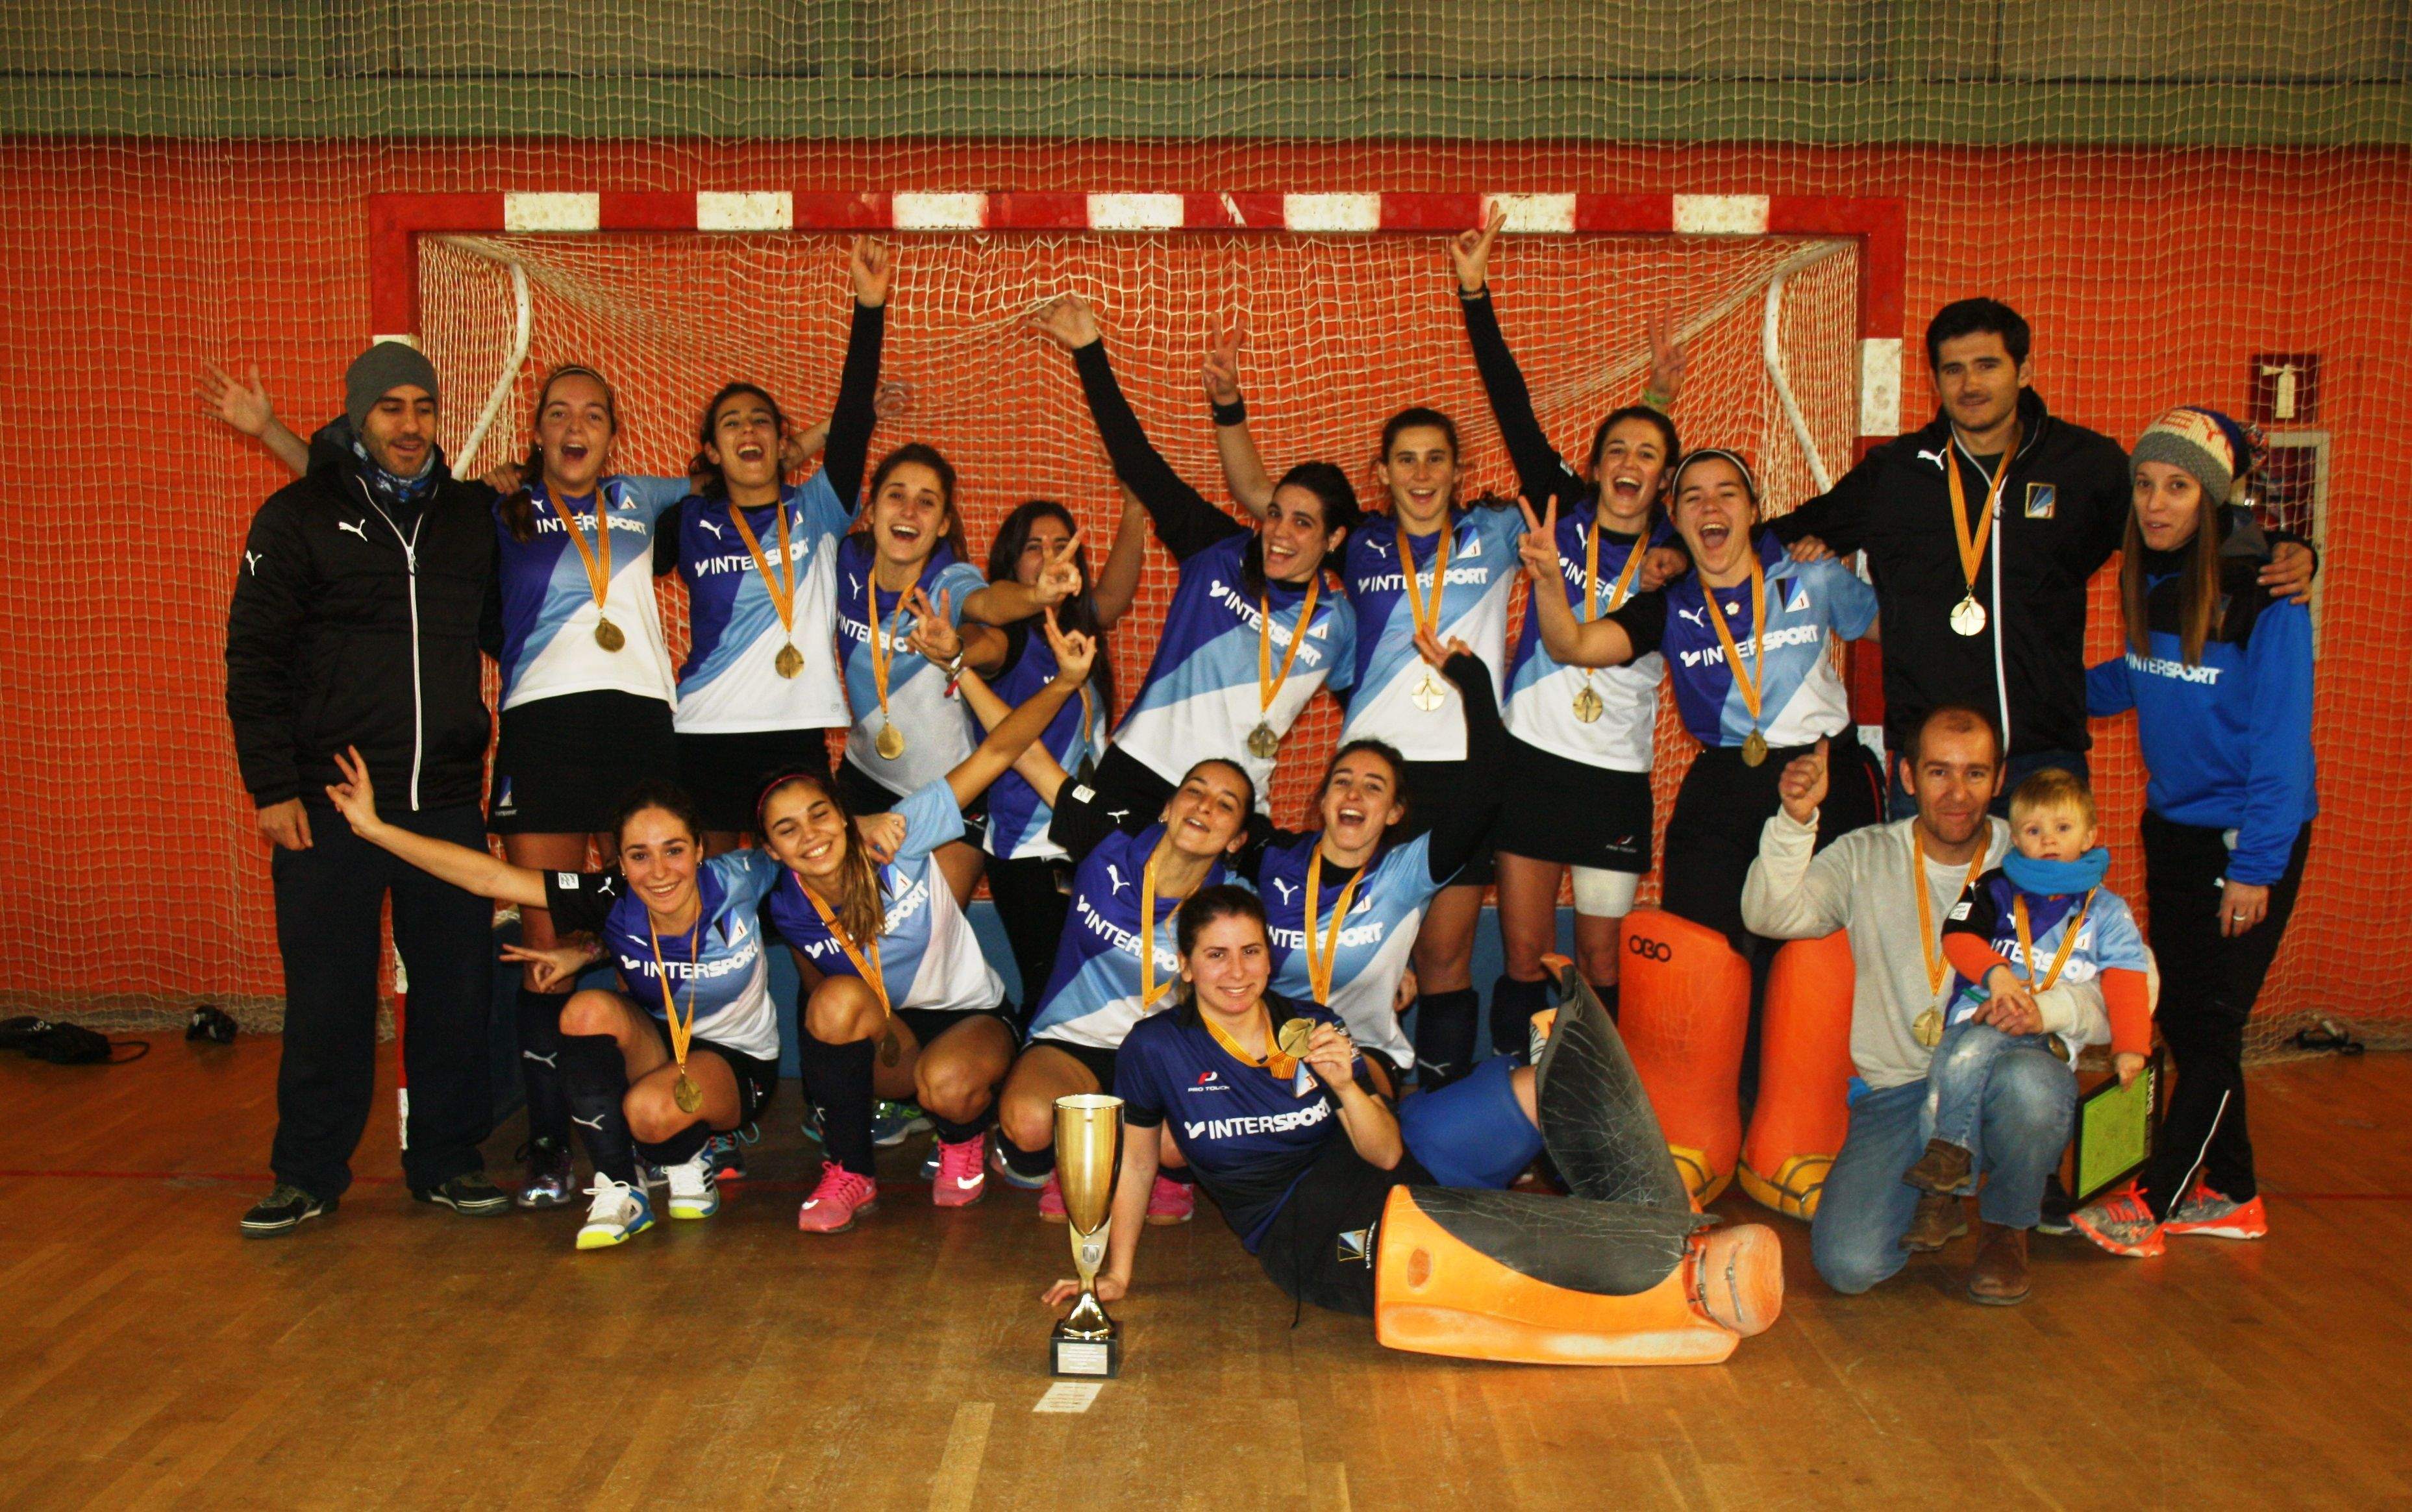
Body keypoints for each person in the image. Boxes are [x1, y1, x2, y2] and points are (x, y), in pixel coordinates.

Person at [1768, 298, 2316, 813]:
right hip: (1932, 766)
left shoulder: (2085, 466)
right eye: (1952, 369)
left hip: (2043, 762)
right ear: (1933, 378)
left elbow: (2176, 527)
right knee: (1924, 917)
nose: (1970, 384)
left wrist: (2290, 549)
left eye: (1987, 365)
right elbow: (1780, 537)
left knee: (2050, 918)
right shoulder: (1893, 474)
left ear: (2023, 370)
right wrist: (1680, 550)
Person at [223, 341, 509, 1237]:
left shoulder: (469, 518)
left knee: (455, 992)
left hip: (447, 800)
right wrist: (273, 786)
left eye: (424, 407)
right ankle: (307, 1172)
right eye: (391, 408)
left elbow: (512, 623)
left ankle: (446, 1161)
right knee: (328, 998)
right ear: (357, 415)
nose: (411, 425)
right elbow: (254, 660)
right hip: (329, 805)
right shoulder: (296, 516)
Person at [322, 761, 781, 1250]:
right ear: (620, 863)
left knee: (649, 1111)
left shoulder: (742, 878)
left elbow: (817, 856)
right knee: (583, 1011)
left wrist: (872, 830)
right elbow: (488, 877)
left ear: (699, 849)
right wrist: (374, 828)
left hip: (740, 1061)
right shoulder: (612, 898)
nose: (660, 871)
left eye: (674, 850)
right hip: (662, 1048)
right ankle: (620, 1187)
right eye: (639, 855)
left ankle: (689, 1156)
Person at [1742, 704, 2112, 1304]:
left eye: (1974, 773)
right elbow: (1767, 915)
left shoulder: (2041, 860)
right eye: (1939, 772)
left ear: (1999, 779)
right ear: (1907, 776)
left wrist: (2052, 1013)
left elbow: (2120, 989)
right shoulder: (1864, 854)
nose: (1958, 793)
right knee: (1847, 1264)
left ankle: (2006, 1227)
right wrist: (1794, 820)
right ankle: (1935, 1191)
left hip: (2000, 1076)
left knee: (2033, 1086)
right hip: (1899, 1093)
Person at [2067, 406, 2317, 1258]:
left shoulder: (2268, 600)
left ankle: (2154, 1196)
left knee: (2209, 1029)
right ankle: (2233, 1192)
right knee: (2189, 1020)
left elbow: (2281, 746)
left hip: (2241, 844)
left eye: (2175, 487)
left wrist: (2254, 865)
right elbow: (2139, 679)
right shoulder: (2153, 580)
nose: (2154, 502)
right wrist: (2040, 688)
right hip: (2168, 831)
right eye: (2144, 484)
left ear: (2210, 499)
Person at [1049, 886, 1544, 1315]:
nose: (1237, 971)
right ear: (1185, 964)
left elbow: (1387, 1154)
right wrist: (1115, 1273)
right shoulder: (1155, 1047)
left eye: (1251, 951)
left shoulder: (1310, 1023)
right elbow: (1137, 1164)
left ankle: (1605, 1228)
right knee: (1455, 1278)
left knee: (1539, 1088)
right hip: (1299, 1226)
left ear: (1268, 956)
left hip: (1389, 1160)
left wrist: (1346, 1085)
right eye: (1216, 954)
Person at [1447, 204, 1689, 1062]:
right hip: (1531, 764)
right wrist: (1474, 293)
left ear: (1664, 478)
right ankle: (1511, 1110)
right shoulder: (1557, 508)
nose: (1628, 465)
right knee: (1518, 954)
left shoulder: (1678, 556)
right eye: (1615, 451)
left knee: (1593, 959)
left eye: (1648, 455)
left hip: (1614, 778)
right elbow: (1512, 408)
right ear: (1592, 467)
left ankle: (1590, 1113)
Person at [777, 608, 1101, 1232]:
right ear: (770, 848)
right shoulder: (781, 894)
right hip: (889, 1029)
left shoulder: (902, 830)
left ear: (843, 811)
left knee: (949, 1083)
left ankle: (961, 1135)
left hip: (970, 1018)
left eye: (820, 814)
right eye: (787, 829)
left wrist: (1062, 684)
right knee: (831, 1005)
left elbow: (1002, 749)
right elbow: (668, 879)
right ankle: (849, 1169)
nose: (810, 836)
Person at [1530, 451, 1886, 969]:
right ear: (1675, 519)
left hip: (1828, 777)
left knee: (1820, 960)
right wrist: (1546, 582)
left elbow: (1902, 633)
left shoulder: (1811, 574)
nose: (1709, 506)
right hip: (1723, 787)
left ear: (1754, 509)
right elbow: (1572, 645)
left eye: (1726, 493)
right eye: (1692, 497)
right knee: (1706, 956)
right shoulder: (1669, 603)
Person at [1027, 293, 1360, 819]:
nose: (1279, 533)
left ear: (1333, 539)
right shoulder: (1217, 549)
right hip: (1141, 770)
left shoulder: (1340, 621)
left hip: (1233, 802)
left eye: (1303, 523)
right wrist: (1089, 349)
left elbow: (1364, 708)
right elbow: (1139, 463)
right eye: (1275, 513)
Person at [673, 237, 892, 855]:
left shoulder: (817, 507)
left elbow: (852, 419)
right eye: (732, 423)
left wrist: (868, 307)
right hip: (705, 729)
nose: (749, 430)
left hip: (796, 730)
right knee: (707, 899)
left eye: (761, 420)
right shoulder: (688, 517)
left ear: (781, 440)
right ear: (714, 451)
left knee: (813, 892)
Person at [989, 752, 1259, 1222]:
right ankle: (1073, 1156)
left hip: (1165, 1056)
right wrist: (973, 677)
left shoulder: (1233, 904)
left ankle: (1165, 1172)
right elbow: (1026, 753)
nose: (1204, 805)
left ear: (1236, 838)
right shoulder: (1105, 842)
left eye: (1225, 803)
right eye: (1194, 790)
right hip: (1073, 1041)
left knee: (1181, 1144)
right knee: (1029, 1121)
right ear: (1167, 806)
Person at [1239, 629, 1508, 1081]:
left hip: (1359, 1054)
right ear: (1323, 799)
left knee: (1357, 1128)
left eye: (1373, 787)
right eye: (1342, 781)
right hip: (1267, 1050)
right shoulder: (1271, 857)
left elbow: (1484, 792)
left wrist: (1475, 684)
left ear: (1393, 812)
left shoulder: (1405, 872)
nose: (1354, 794)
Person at [1906, 767, 2151, 1248]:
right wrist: (1996, 975)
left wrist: (2130, 1046)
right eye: (2034, 831)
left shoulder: (2106, 911)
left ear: (2089, 835)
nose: (2048, 841)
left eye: (2062, 828)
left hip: (2045, 1043)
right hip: (1975, 1020)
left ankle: (1953, 1171)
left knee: (1993, 1069)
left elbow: (2126, 977)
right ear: (2014, 837)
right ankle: (1943, 1197)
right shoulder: (1992, 887)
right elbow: (1957, 935)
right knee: (1947, 1077)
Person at [832, 440, 1081, 906]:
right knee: (847, 929)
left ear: (944, 522)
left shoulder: (949, 579)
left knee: (924, 936)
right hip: (862, 777)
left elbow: (988, 608)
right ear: (871, 508)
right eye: (896, 495)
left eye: (927, 502)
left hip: (954, 792)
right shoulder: (848, 560)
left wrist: (1033, 598)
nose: (910, 510)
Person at [969, 493, 1148, 1010]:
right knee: (1050, 990)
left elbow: (1114, 592)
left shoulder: (1079, 629)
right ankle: (1035, 1087)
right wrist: (957, 649)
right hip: (1028, 852)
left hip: (1084, 837)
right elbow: (979, 634)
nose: (1050, 556)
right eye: (1033, 547)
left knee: (1088, 987)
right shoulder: (1006, 638)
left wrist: (1135, 507)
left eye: (1060, 545)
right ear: (1011, 562)